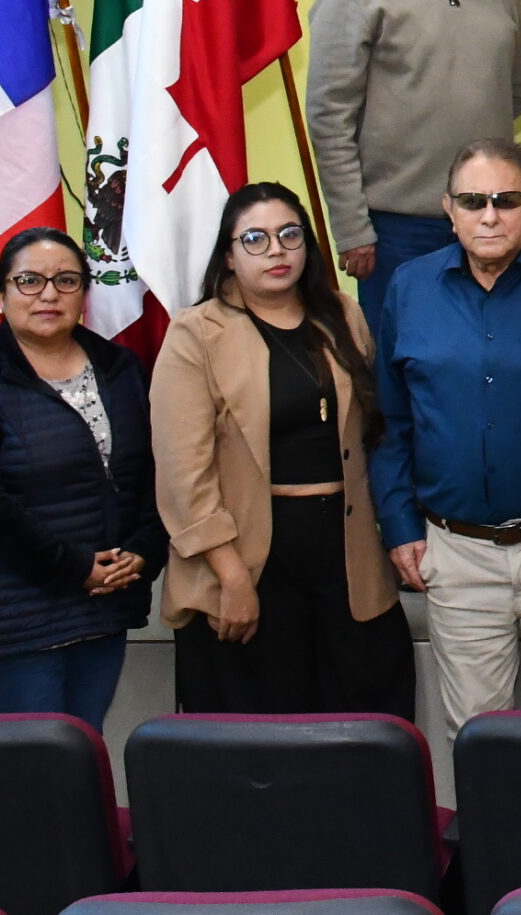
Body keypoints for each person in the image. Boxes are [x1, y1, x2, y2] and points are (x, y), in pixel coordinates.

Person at [371, 138, 521, 734]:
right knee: (475, 737)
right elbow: (390, 422)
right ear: (448, 208)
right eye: (473, 200)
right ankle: (489, 834)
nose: (489, 215)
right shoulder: (407, 288)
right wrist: (401, 526)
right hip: (453, 552)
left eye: (506, 200)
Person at [153, 183, 415, 715]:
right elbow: (185, 476)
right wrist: (233, 576)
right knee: (260, 744)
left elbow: (376, 432)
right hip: (248, 555)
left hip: (345, 548)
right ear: (228, 255)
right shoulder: (195, 333)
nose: (276, 250)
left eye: (289, 234)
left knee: (363, 726)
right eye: (255, 239)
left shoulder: (342, 315)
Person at [0, 228, 165, 728]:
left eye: (66, 280)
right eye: (29, 281)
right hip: (16, 613)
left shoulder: (120, 369)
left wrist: (144, 549)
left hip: (105, 603)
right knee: (33, 772)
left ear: (84, 294)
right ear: (0, 295)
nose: (49, 294)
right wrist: (72, 567)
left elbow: (150, 474)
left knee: (83, 752)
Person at [309, 0, 521, 349]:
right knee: (402, 366)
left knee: (496, 354)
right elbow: (329, 121)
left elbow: (519, 92)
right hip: (395, 231)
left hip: (490, 216)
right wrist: (352, 229)